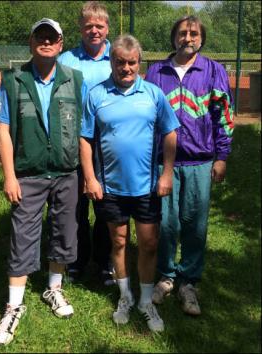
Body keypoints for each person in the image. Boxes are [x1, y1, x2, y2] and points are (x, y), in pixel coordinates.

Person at [0, 18, 83, 345]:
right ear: (31, 43)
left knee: (64, 230)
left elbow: (84, 129)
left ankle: (54, 289)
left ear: (60, 44)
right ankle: (14, 306)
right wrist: (9, 176)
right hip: (27, 175)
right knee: (21, 235)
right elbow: (3, 129)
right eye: (40, 36)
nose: (46, 41)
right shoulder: (13, 80)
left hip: (65, 173)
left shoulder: (75, 79)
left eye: (52, 37)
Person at [80, 34, 180, 332]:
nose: (126, 68)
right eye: (120, 62)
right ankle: (125, 296)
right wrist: (90, 177)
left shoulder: (152, 94)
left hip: (147, 187)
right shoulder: (96, 95)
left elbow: (170, 133)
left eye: (132, 62)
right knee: (119, 242)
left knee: (148, 244)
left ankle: (146, 301)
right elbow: (85, 139)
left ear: (140, 63)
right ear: (112, 62)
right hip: (110, 187)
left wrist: (165, 174)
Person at [146, 15, 234, 316]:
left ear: (202, 38)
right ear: (173, 37)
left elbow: (223, 116)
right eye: (182, 33)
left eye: (194, 33)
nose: (188, 37)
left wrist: (221, 156)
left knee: (195, 224)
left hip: (200, 160)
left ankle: (189, 283)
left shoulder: (213, 70)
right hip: (164, 162)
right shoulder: (156, 71)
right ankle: (166, 276)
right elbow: (146, 116)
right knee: (166, 223)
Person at [58, 1, 115, 286]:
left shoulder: (118, 58)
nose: (94, 30)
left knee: (106, 206)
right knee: (75, 206)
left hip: (108, 146)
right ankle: (77, 261)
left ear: (107, 28)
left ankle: (105, 263)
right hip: (73, 144)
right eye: (88, 25)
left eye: (99, 25)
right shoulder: (66, 60)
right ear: (80, 28)